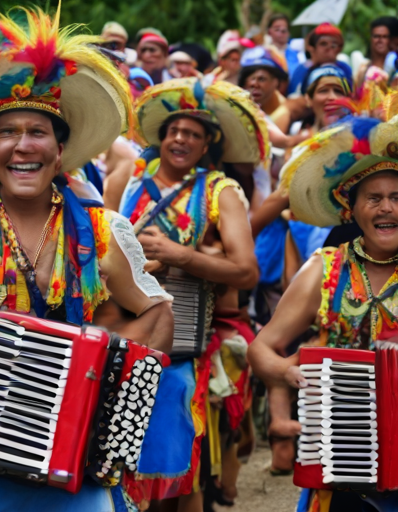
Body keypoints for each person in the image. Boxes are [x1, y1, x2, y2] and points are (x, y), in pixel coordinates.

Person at [0, 9, 174, 512]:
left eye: (38, 131)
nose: (23, 145)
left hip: (78, 461)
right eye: (8, 133)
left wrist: (109, 375)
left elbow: (157, 311)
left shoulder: (104, 231)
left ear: (59, 151)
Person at [118, 77, 267, 511]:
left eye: (194, 134)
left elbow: (245, 272)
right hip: (123, 346)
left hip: (185, 353)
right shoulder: (125, 184)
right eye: (174, 131)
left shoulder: (221, 192)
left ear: (206, 147)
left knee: (181, 474)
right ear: (161, 139)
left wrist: (181, 256)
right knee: (119, 469)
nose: (181, 138)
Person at [248, 110, 398, 511]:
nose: (387, 208)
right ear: (352, 209)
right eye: (375, 198)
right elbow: (262, 348)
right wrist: (287, 372)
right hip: (341, 455)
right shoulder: (326, 268)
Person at [288, 23, 351, 97]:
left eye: (334, 44)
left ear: (339, 48)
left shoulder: (344, 68)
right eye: (323, 44)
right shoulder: (303, 69)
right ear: (311, 48)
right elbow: (293, 97)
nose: (329, 47)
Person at [239, 46, 290, 132]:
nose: (254, 84)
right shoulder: (237, 112)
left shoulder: (288, 113)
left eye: (262, 79)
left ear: (276, 82)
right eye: (250, 79)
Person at [355, 17, 398, 89]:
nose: (380, 40)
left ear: (392, 40)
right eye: (376, 36)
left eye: (384, 36)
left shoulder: (394, 66)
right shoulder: (363, 68)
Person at [266, 13, 302, 77]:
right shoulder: (262, 53)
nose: (281, 31)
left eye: (284, 29)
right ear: (269, 31)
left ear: (288, 33)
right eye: (277, 29)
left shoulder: (297, 55)